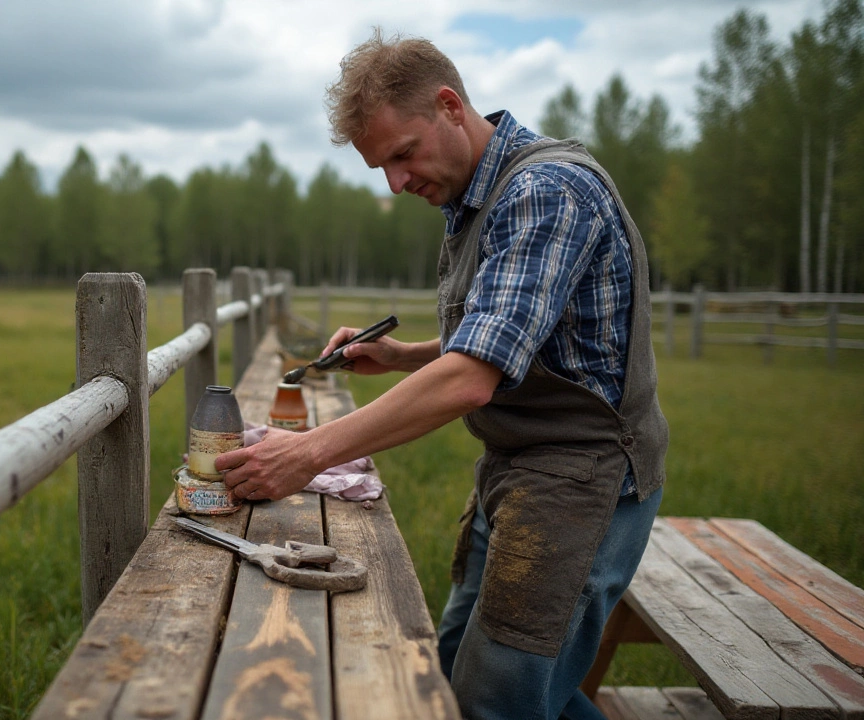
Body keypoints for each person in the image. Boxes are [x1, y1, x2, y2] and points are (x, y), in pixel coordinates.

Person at [214, 29, 669, 720]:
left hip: (585, 481)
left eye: (402, 155)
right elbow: (515, 334)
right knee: (459, 666)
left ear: (451, 106)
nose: (397, 183)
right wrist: (405, 354)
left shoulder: (545, 192)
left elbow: (473, 377)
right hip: (518, 471)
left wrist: (306, 453)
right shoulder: (471, 197)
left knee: (499, 698)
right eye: (382, 170)